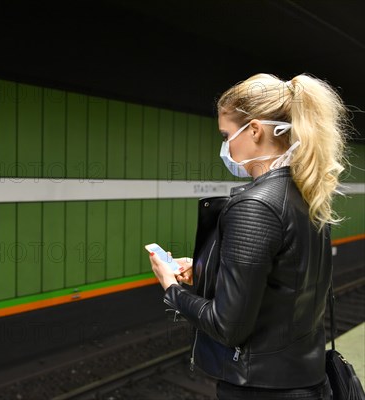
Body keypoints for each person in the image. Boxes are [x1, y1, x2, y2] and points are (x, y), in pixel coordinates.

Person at [149, 73, 350, 399]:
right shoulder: (308, 194)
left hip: (263, 388)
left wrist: (171, 288)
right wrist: (206, 270)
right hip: (305, 378)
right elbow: (283, 285)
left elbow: (227, 327)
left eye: (226, 135)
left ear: (254, 130)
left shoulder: (255, 205)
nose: (225, 146)